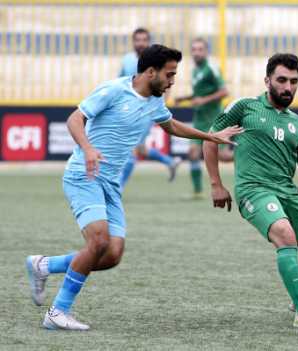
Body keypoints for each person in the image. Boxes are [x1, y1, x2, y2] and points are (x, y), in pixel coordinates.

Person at [25, 44, 243, 331]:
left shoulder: (154, 100)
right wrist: (88, 149)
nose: (172, 81)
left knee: (112, 255)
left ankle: (44, 265)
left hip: (111, 185)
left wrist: (211, 137)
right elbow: (74, 119)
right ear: (150, 72)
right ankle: (58, 312)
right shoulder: (113, 90)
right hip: (84, 175)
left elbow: (172, 126)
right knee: (99, 241)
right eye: (169, 74)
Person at [202, 53, 298, 328]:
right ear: (267, 80)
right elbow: (210, 140)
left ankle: (297, 300)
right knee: (285, 235)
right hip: (253, 190)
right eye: (281, 80)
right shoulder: (245, 108)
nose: (288, 87)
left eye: (293, 81)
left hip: (287, 192)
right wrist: (216, 184)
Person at [119, 28, 180, 188]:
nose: (140, 43)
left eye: (143, 40)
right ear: (133, 42)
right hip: (129, 110)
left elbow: (167, 82)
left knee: (132, 147)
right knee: (141, 148)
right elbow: (122, 82)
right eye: (137, 40)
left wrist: (160, 106)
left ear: (148, 41)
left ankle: (117, 188)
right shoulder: (127, 60)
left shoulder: (157, 62)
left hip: (147, 111)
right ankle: (170, 161)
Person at [175, 38, 230, 199]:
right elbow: (200, 93)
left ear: (206, 52)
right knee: (193, 153)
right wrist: (186, 98)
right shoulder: (195, 71)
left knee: (223, 156)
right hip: (200, 119)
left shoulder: (211, 68)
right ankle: (198, 191)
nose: (197, 52)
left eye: (200, 49)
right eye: (194, 49)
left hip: (214, 119)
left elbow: (224, 92)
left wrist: (203, 100)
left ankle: (251, 156)